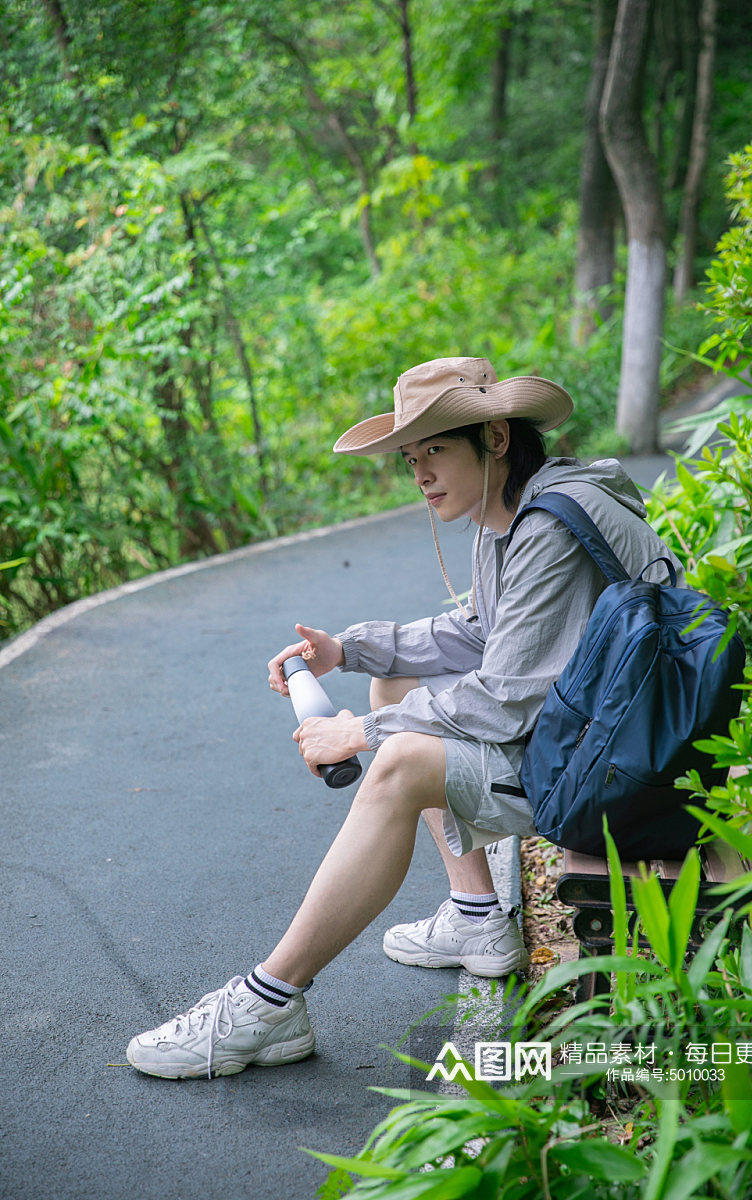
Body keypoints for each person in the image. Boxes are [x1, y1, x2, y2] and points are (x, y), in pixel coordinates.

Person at [126, 356, 684, 1079]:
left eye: (436, 450)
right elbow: (482, 635)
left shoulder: (544, 526)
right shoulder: (514, 513)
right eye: (410, 456)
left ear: (495, 437)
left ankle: (268, 1003)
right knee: (396, 685)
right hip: (607, 731)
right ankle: (479, 918)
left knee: (397, 761)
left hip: (626, 766)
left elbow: (505, 693)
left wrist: (358, 733)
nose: (419, 472)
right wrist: (347, 650)